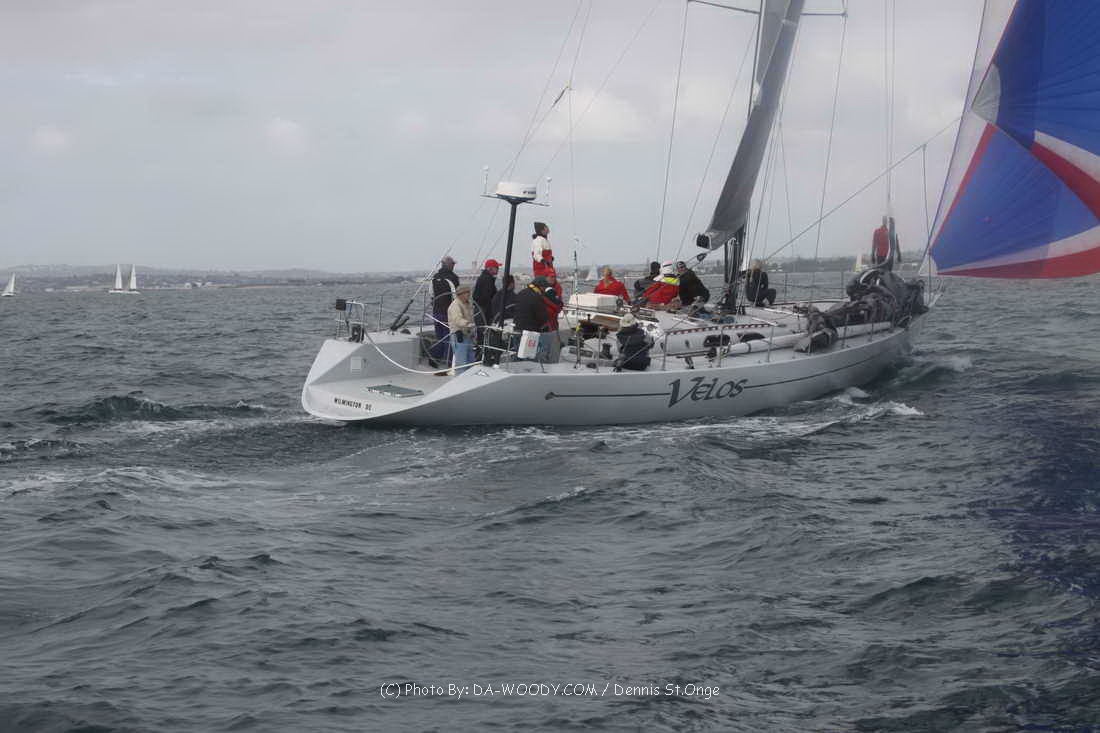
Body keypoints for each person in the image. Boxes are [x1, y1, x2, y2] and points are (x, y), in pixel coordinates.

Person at [430, 255, 460, 363]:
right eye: (453, 264)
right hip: (448, 313)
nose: (454, 266)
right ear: (448, 265)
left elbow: (431, 294)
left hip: (436, 312)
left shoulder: (435, 277)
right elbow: (456, 296)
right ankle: (449, 361)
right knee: (449, 337)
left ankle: (435, 358)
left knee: (440, 336)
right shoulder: (453, 278)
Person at [514, 276, 551, 361]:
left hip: (517, 328)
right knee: (528, 358)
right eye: (544, 287)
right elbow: (543, 317)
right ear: (540, 287)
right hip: (530, 332)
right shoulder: (537, 297)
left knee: (518, 355)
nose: (544, 290)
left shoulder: (521, 293)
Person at [446, 285, 476, 374]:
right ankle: (460, 378)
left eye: (469, 292)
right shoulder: (455, 305)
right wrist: (468, 324)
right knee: (461, 362)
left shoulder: (468, 304)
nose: (469, 294)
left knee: (471, 360)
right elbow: (457, 319)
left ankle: (470, 377)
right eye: (467, 292)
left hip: (468, 335)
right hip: (459, 336)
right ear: (461, 294)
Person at [473, 258, 500, 346]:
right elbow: (486, 297)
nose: (498, 269)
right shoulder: (488, 279)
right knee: (484, 334)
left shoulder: (483, 278)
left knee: (481, 334)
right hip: (484, 312)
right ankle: (483, 350)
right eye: (496, 267)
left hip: (480, 310)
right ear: (490, 268)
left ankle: (481, 349)